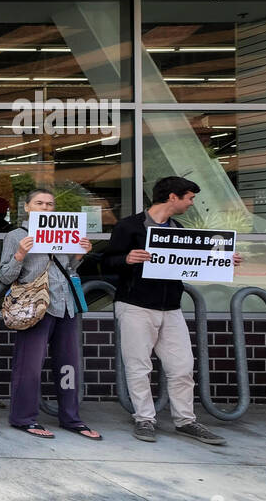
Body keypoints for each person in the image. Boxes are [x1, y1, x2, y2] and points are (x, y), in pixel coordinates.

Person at [103, 175, 242, 445]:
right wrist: (127, 258)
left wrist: (226, 259)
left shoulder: (178, 228)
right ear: (172, 197)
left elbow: (195, 262)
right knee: (138, 366)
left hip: (171, 307)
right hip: (135, 305)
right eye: (189, 197)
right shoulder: (130, 226)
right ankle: (144, 418)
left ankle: (186, 420)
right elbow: (106, 262)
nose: (191, 203)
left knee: (182, 367)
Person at [0, 188, 101, 440]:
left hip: (65, 304)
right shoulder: (16, 235)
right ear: (28, 208)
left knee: (68, 365)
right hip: (35, 307)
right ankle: (23, 417)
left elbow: (67, 268)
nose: (45, 207)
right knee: (29, 366)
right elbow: (4, 275)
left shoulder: (65, 232)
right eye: (39, 203)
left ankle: (71, 417)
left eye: (50, 204)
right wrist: (20, 254)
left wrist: (78, 256)